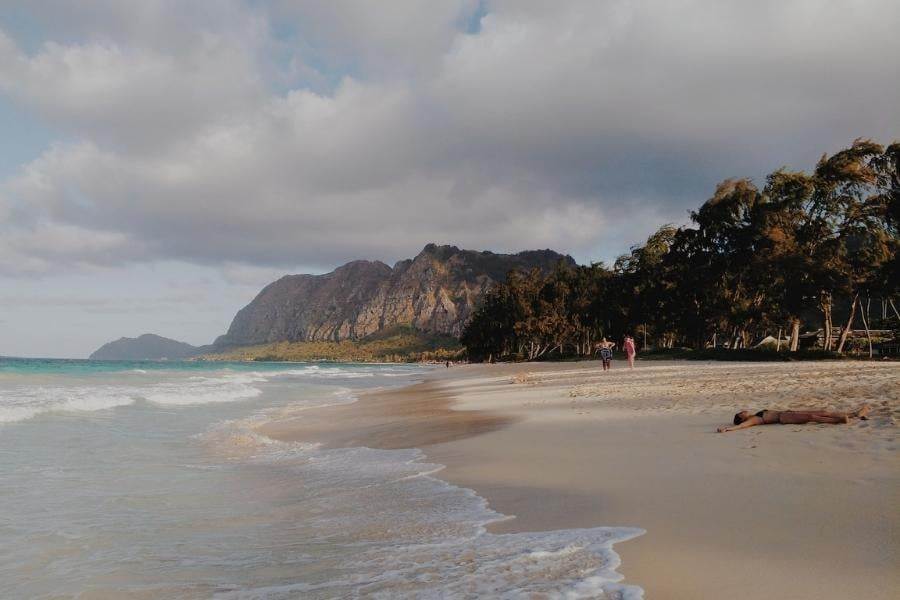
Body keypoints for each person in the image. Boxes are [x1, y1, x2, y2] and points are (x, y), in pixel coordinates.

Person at [717, 405, 870, 433]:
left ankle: (854, 414)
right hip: (784, 417)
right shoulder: (755, 419)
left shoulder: (756, 414)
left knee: (823, 411)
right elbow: (742, 427)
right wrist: (728, 429)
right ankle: (840, 420)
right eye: (741, 413)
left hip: (788, 412)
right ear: (741, 417)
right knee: (812, 417)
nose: (743, 411)